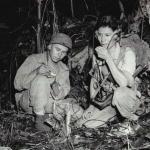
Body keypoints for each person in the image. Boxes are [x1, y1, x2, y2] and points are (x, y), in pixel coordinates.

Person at [76, 16, 141, 133]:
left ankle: (130, 120)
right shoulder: (97, 54)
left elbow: (123, 83)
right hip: (108, 101)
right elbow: (95, 82)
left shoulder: (127, 53)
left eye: (107, 35)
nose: (102, 39)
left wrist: (108, 58)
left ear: (116, 35)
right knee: (88, 124)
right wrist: (92, 106)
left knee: (120, 93)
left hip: (127, 99)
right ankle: (115, 118)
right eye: (99, 35)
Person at [14, 33, 83, 132]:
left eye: (63, 52)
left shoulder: (64, 69)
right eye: (57, 49)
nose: (60, 54)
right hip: (29, 102)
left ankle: (50, 118)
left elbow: (62, 94)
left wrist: (54, 86)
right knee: (42, 79)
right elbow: (17, 84)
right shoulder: (34, 59)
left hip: (49, 104)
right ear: (50, 46)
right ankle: (39, 121)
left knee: (78, 112)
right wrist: (36, 72)